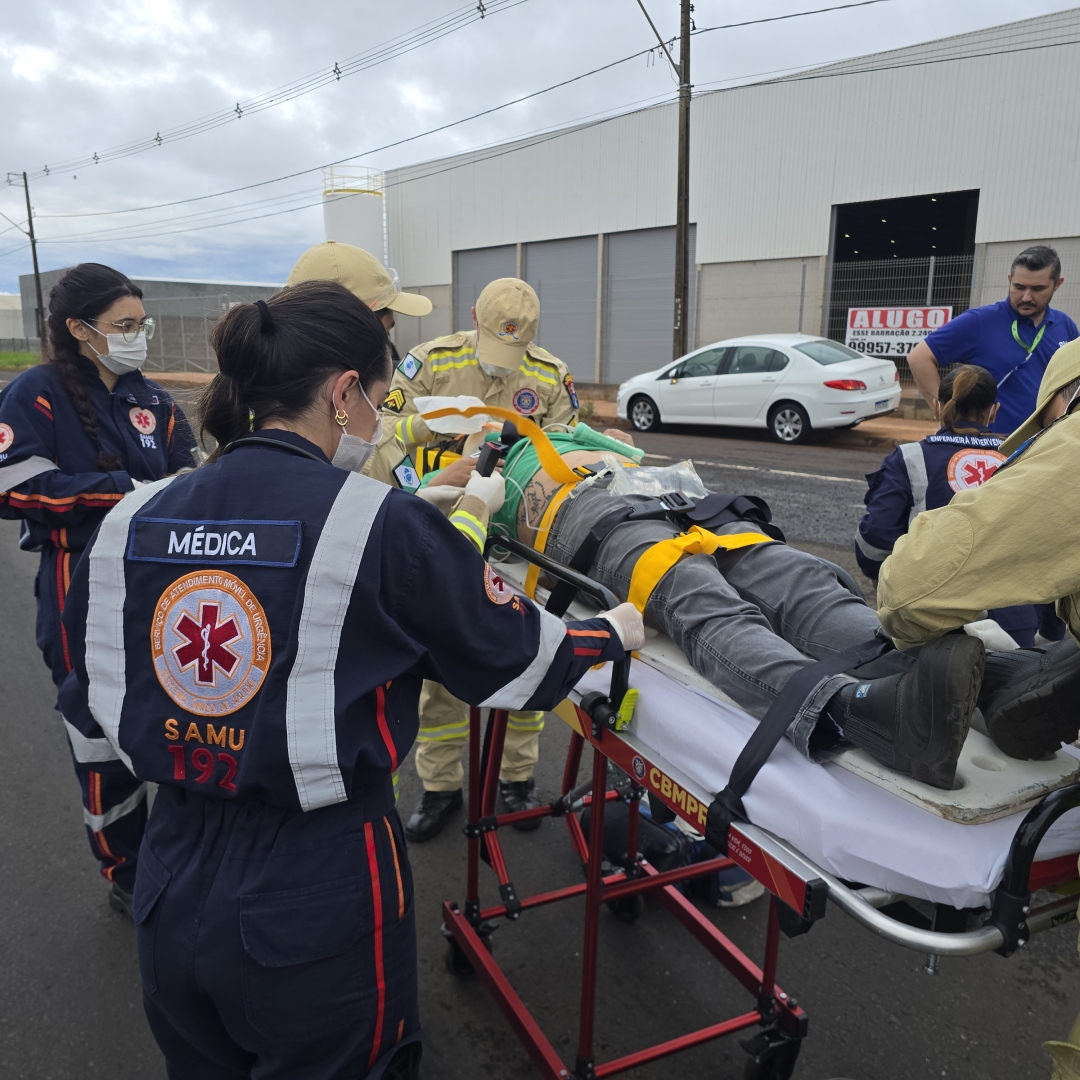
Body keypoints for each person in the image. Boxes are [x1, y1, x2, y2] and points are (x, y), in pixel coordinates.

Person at [54, 281, 640, 1079]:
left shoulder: (131, 517)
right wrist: (608, 632)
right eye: (377, 397)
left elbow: (91, 687)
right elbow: (518, 660)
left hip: (171, 874)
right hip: (317, 887)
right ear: (341, 394)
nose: (378, 418)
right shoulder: (380, 525)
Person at [420, 416, 998, 791]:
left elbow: (628, 449)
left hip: (665, 498)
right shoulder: (470, 476)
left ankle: (993, 681)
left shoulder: (554, 427)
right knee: (701, 598)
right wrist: (463, 485)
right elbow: (437, 540)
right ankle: (858, 710)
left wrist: (574, 439)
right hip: (593, 517)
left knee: (801, 581)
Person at [0, 263, 197, 918]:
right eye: (124, 326)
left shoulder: (157, 403)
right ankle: (127, 870)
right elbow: (12, 487)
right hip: (76, 583)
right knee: (98, 739)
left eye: (142, 324)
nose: (138, 335)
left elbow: (194, 479)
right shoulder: (36, 396)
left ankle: (184, 854)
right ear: (81, 330)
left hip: (164, 586)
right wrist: (122, 494)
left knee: (177, 725)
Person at [368, 277, 581, 841]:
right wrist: (430, 472)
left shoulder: (549, 376)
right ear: (472, 318)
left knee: (524, 654)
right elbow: (379, 434)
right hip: (441, 528)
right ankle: (441, 787)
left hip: (521, 546)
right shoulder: (429, 362)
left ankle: (517, 777)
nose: (501, 367)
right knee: (439, 672)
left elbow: (568, 448)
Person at [878, 338, 1080, 760]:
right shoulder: (1007, 455)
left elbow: (897, 577)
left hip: (942, 613)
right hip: (1022, 622)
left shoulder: (911, 455)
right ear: (994, 411)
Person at [855, 364, 1040, 645]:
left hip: (931, 619)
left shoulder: (909, 457)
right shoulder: (1027, 456)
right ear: (994, 411)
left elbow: (874, 544)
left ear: (937, 407)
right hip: (1015, 619)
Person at [906, 245, 1078, 436]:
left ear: (1057, 284)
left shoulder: (1065, 326)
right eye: (1019, 287)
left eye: (1038, 289)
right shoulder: (979, 322)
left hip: (1043, 449)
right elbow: (919, 357)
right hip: (990, 451)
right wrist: (944, 413)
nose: (1026, 297)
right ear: (1009, 280)